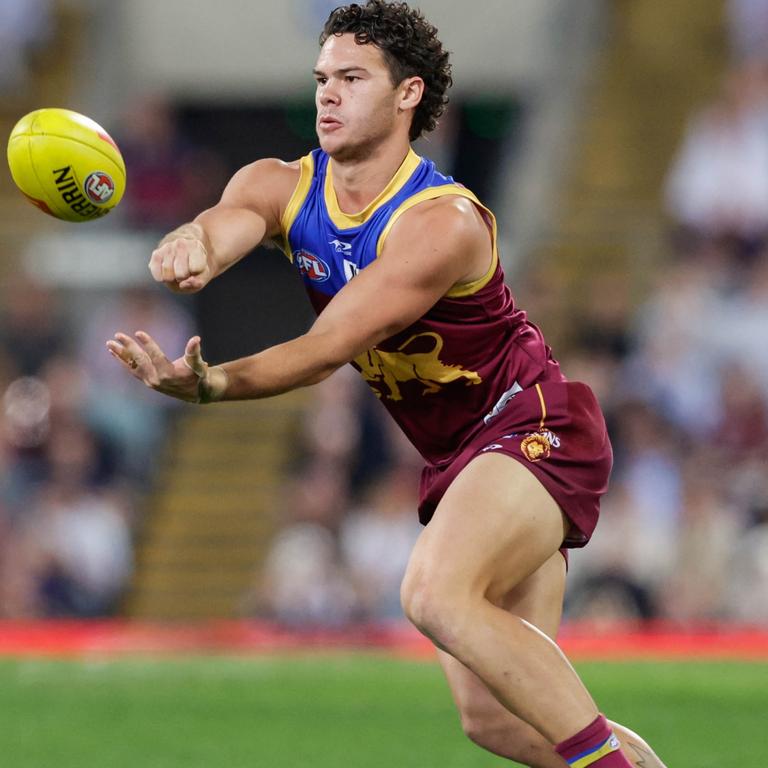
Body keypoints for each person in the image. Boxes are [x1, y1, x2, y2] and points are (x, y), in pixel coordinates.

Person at [106, 3, 667, 766]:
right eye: (321, 79)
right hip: (464, 460)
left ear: (407, 95)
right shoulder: (281, 182)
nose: (326, 95)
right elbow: (229, 219)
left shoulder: (442, 221)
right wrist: (192, 243)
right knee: (500, 721)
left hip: (532, 427)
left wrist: (211, 384)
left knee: (433, 593)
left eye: (351, 78)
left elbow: (328, 345)